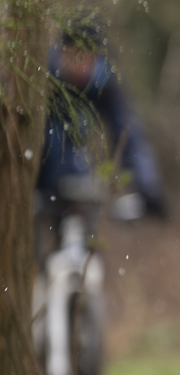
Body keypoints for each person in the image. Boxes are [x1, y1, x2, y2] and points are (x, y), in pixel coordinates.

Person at [36, 20, 169, 250]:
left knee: (80, 245)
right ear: (61, 52)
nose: (79, 65)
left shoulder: (103, 82)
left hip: (78, 183)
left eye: (86, 57)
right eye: (73, 55)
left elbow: (128, 132)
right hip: (36, 177)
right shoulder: (40, 75)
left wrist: (147, 187)